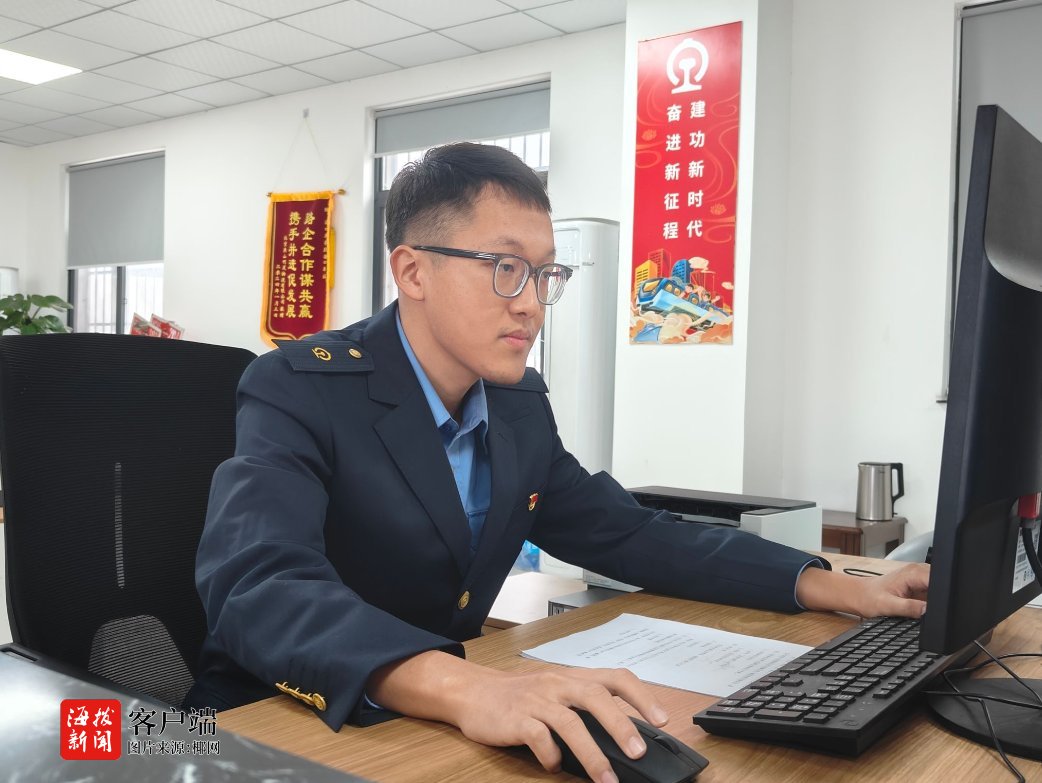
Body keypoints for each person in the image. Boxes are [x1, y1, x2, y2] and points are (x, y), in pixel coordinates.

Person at [187, 142, 929, 783]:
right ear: (412, 271)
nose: (532, 305)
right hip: (260, 719)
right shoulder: (301, 386)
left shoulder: (515, 404)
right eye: (506, 268)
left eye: (545, 275)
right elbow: (259, 586)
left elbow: (630, 534)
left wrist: (833, 586)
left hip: (426, 725)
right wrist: (468, 687)